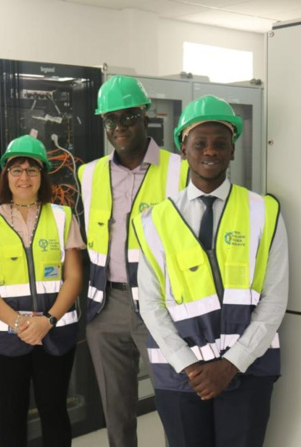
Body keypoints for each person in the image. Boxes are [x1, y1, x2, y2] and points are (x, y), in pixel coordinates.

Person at [133, 95, 288, 447]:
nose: (210, 151)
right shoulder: (154, 220)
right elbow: (151, 303)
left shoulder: (264, 211)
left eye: (221, 143)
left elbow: (274, 299)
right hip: (179, 375)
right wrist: (190, 365)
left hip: (247, 371)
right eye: (200, 142)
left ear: (232, 150)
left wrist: (231, 364)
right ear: (183, 148)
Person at [77, 75, 189, 447]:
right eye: (110, 119)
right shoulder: (88, 173)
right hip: (106, 303)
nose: (119, 127)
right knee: (116, 408)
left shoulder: (180, 170)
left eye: (127, 117)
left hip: (162, 305)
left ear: (144, 116)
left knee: (176, 399)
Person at [0, 135, 82, 447]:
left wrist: (48, 320)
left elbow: (73, 276)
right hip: (4, 337)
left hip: (55, 334)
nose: (24, 177)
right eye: (16, 170)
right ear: (6, 175)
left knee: (54, 410)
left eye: (32, 170)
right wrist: (18, 323)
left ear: (42, 176)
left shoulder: (62, 217)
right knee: (11, 413)